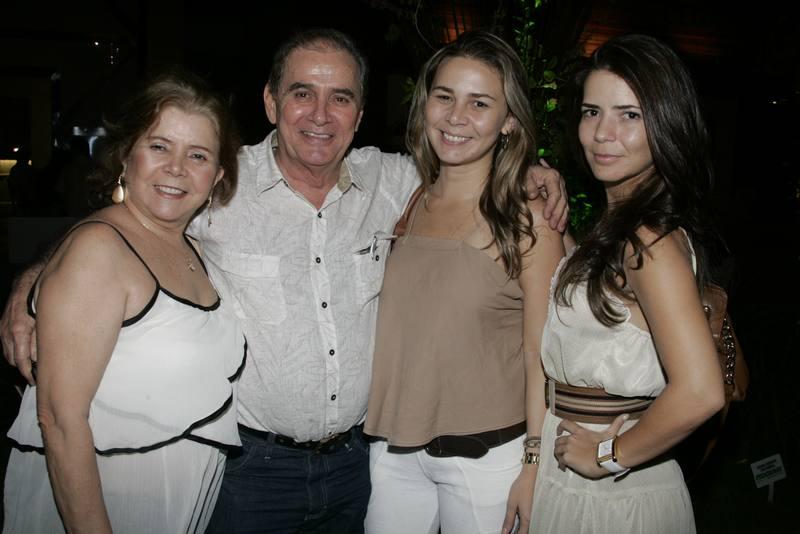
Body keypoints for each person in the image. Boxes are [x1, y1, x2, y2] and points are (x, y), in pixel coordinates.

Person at [1, 29, 568, 533]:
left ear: (360, 113)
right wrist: (35, 283)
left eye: (340, 97)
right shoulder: (218, 181)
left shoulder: (397, 183)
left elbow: (475, 176)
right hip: (252, 473)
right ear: (271, 102)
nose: (320, 115)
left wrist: (532, 172)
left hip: (360, 467)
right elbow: (129, 228)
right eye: (302, 93)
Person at [3, 72, 245, 533]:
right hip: (108, 502)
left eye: (197, 155)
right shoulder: (98, 250)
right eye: (160, 146)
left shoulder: (194, 248)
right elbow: (59, 420)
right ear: (126, 155)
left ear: (216, 176)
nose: (176, 168)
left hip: (177, 501)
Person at [363, 31, 564, 534]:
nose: (456, 117)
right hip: (394, 450)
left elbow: (542, 354)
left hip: (488, 461)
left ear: (509, 121)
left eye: (479, 103)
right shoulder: (408, 198)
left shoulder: (529, 220)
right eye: (444, 96)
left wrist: (535, 463)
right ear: (425, 103)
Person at [529, 34, 726, 533]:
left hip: (613, 497)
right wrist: (557, 210)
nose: (602, 133)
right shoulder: (621, 230)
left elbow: (701, 391)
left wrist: (607, 457)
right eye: (592, 112)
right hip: (577, 477)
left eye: (629, 115)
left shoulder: (648, 241)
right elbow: (595, 314)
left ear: (665, 122)